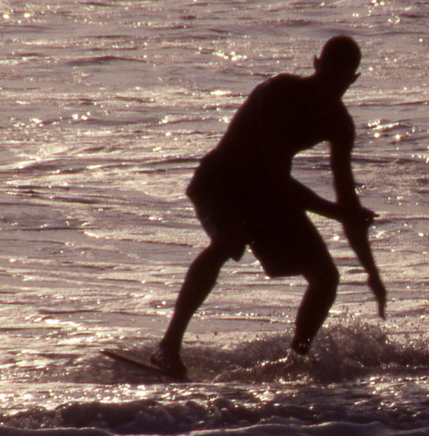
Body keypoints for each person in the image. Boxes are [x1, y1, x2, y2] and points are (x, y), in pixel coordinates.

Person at [152, 35, 384, 379]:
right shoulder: (279, 93)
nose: (330, 89)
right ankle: (168, 347)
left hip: (266, 195)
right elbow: (279, 178)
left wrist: (372, 272)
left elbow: (347, 201)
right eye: (326, 78)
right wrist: (340, 213)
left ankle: (296, 361)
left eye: (339, 83)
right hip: (222, 182)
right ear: (315, 64)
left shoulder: (339, 123)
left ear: (353, 80)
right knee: (229, 241)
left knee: (326, 278)